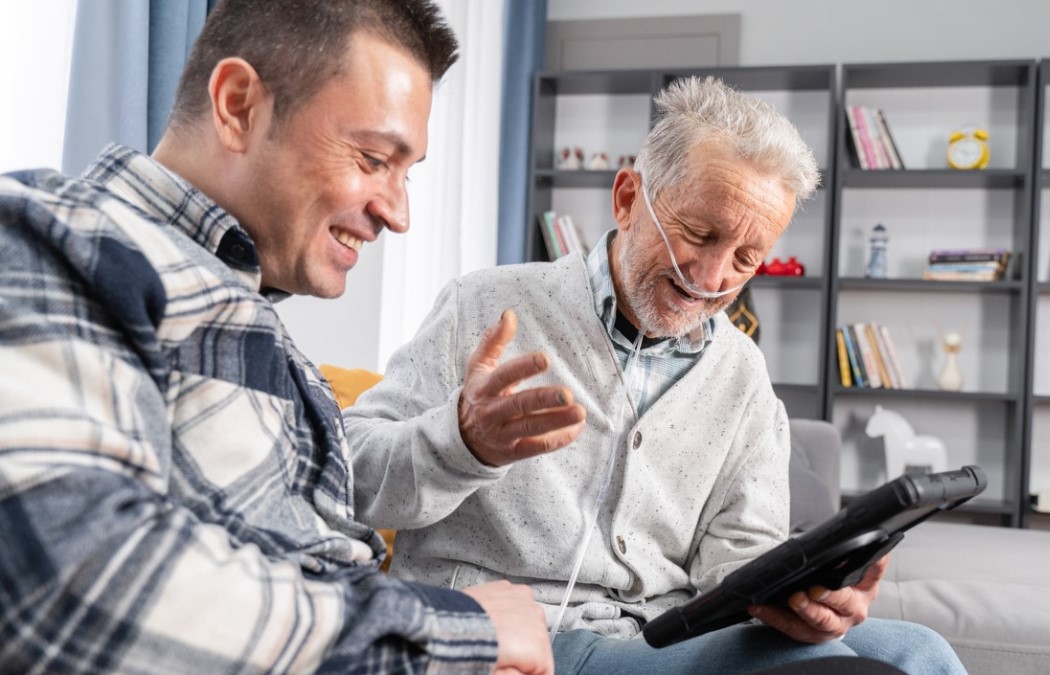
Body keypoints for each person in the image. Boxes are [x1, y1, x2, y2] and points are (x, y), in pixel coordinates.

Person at [345, 76, 967, 674]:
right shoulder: (483, 306)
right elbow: (349, 477)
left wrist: (799, 597)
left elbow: (740, 558)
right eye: (700, 233)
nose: (714, 275)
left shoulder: (742, 374)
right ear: (626, 199)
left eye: (746, 259)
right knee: (813, 669)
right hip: (515, 629)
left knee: (920, 654)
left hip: (665, 634)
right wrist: (461, 442)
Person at [0, 1, 551, 673]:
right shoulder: (54, 239)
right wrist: (459, 627)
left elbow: (338, 497)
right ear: (237, 106)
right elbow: (73, 578)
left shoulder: (271, 338)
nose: (399, 212)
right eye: (376, 158)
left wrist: (463, 442)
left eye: (408, 174)